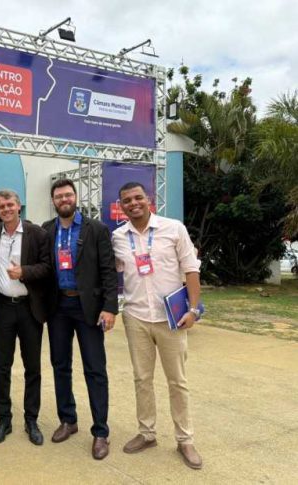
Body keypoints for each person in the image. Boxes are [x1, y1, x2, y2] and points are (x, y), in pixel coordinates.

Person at [111, 181, 203, 470]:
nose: (133, 203)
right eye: (127, 200)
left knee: (177, 381)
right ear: (121, 206)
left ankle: (185, 439)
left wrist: (193, 310)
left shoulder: (173, 228)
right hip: (136, 317)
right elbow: (111, 271)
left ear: (148, 198)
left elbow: (191, 269)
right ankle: (147, 433)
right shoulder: (118, 237)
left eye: (138, 197)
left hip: (170, 318)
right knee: (142, 379)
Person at [42, 179, 118, 460]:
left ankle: (100, 432)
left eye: (68, 195)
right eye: (59, 196)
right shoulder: (46, 230)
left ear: (75, 197)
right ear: (53, 201)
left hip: (89, 308)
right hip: (58, 307)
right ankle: (68, 420)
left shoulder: (96, 229)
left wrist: (109, 307)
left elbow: (108, 270)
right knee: (60, 365)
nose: (64, 199)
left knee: (95, 369)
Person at [0, 189, 50, 446]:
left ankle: (31, 420)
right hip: (2, 307)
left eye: (10, 204)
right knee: (2, 366)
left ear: (19, 206)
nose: (6, 209)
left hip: (29, 308)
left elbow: (47, 267)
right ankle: (4, 419)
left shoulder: (37, 233)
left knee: (32, 368)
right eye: (1, 206)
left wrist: (25, 272)